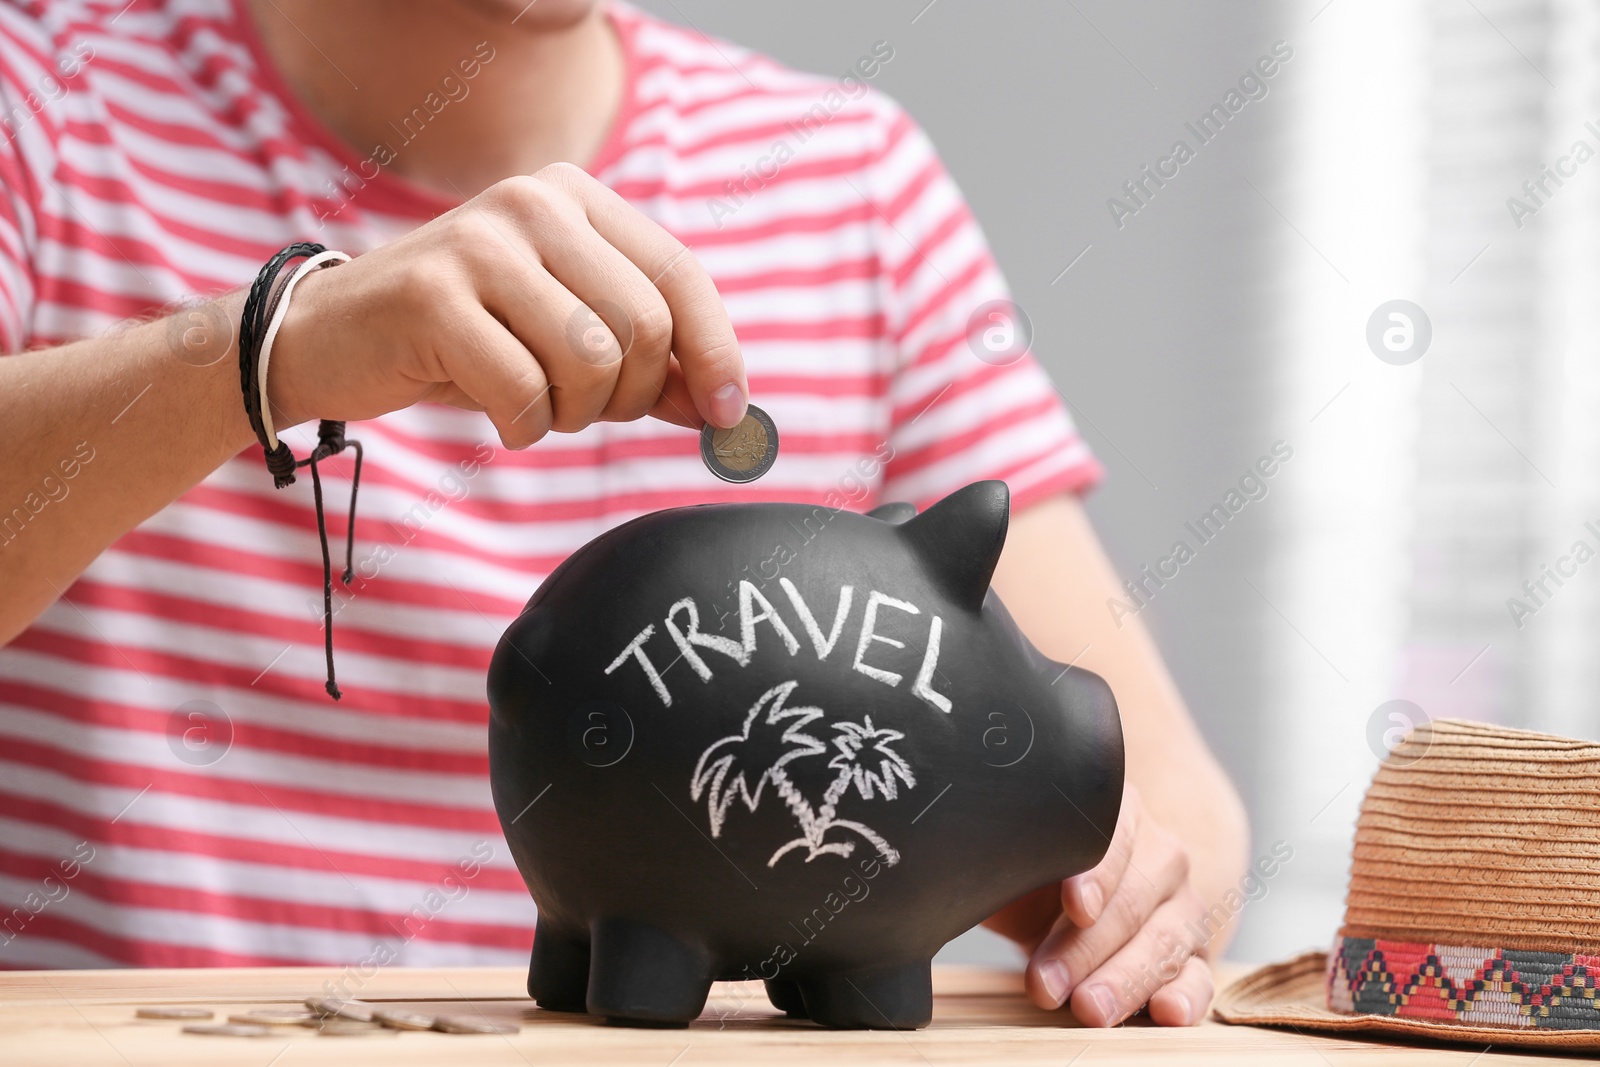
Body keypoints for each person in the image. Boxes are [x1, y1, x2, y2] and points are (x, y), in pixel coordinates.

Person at [0, 0, 1248, 1027]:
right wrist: (272, 346)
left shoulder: (851, 177)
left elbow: (1160, 798)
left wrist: (1084, 892)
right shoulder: (40, 98)